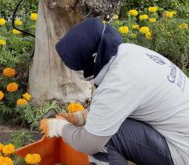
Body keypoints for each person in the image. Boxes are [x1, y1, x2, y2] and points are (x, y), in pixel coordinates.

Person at [40, 17, 189, 165]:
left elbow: (89, 143)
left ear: (90, 64)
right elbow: (122, 102)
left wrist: (59, 128)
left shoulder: (116, 83)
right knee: (103, 124)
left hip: (182, 152)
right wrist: (79, 118)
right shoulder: (128, 53)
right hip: (180, 134)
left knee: (103, 137)